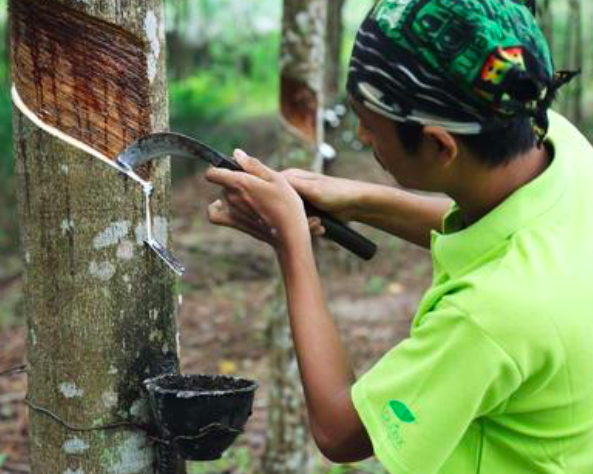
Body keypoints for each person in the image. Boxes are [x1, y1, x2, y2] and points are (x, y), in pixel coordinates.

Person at [204, 1, 593, 473]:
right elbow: (494, 231)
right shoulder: (557, 145)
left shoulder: (492, 315)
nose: (364, 140)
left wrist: (292, 245)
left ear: (438, 144)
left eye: (370, 129)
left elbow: (342, 431)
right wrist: (359, 199)